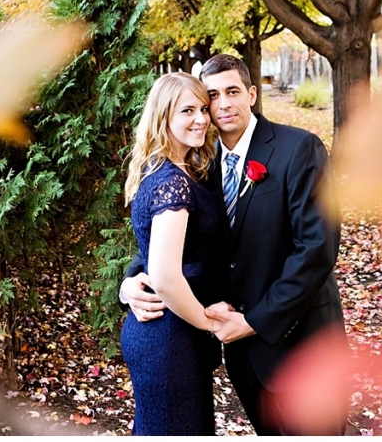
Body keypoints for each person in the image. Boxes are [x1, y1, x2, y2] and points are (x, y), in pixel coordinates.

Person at [121, 54, 348, 435]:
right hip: (244, 355)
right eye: (213, 96)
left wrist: (253, 322)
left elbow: (316, 247)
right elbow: (175, 239)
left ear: (252, 95)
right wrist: (130, 282)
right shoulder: (200, 164)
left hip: (300, 340)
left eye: (233, 91)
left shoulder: (299, 149)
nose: (223, 104)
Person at [119, 72, 225, 435]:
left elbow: (151, 251)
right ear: (163, 116)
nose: (201, 119)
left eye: (203, 109)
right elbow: (164, 276)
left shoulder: (174, 169)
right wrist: (210, 324)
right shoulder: (173, 183)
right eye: (187, 111)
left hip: (173, 330)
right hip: (169, 336)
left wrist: (127, 284)